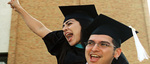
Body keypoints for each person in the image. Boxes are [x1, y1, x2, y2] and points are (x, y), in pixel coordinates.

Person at [8, 0, 129, 64]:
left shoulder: (106, 49)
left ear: (84, 25)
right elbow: (40, 29)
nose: (64, 28)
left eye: (69, 23)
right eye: (63, 25)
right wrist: (18, 8)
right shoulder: (62, 42)